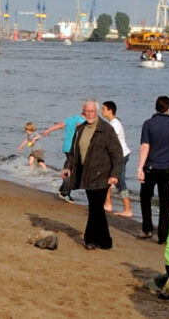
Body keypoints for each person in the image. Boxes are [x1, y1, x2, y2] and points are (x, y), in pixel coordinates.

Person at [60, 99, 122, 250]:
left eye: (92, 111)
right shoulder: (80, 129)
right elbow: (73, 153)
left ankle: (90, 239)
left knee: (95, 207)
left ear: (97, 111)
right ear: (83, 112)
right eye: (87, 111)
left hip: (102, 174)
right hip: (86, 174)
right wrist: (68, 167)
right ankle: (105, 241)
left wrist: (114, 174)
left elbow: (117, 153)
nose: (90, 114)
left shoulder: (106, 129)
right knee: (97, 208)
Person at [137, 95, 169, 244]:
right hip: (167, 167)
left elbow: (145, 146)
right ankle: (163, 235)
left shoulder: (148, 124)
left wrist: (140, 168)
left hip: (151, 166)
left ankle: (147, 228)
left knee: (145, 197)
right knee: (165, 203)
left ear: (156, 107)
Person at [42, 109, 86, 203]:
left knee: (69, 167)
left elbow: (60, 125)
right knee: (72, 170)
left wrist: (48, 130)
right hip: (74, 149)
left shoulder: (72, 118)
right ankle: (65, 192)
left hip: (67, 147)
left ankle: (63, 191)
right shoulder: (83, 121)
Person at [101, 100, 133, 217]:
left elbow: (109, 141)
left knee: (119, 182)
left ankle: (127, 209)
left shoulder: (114, 124)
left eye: (103, 109)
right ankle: (108, 204)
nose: (101, 111)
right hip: (117, 155)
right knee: (108, 178)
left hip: (120, 156)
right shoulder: (114, 123)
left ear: (110, 110)